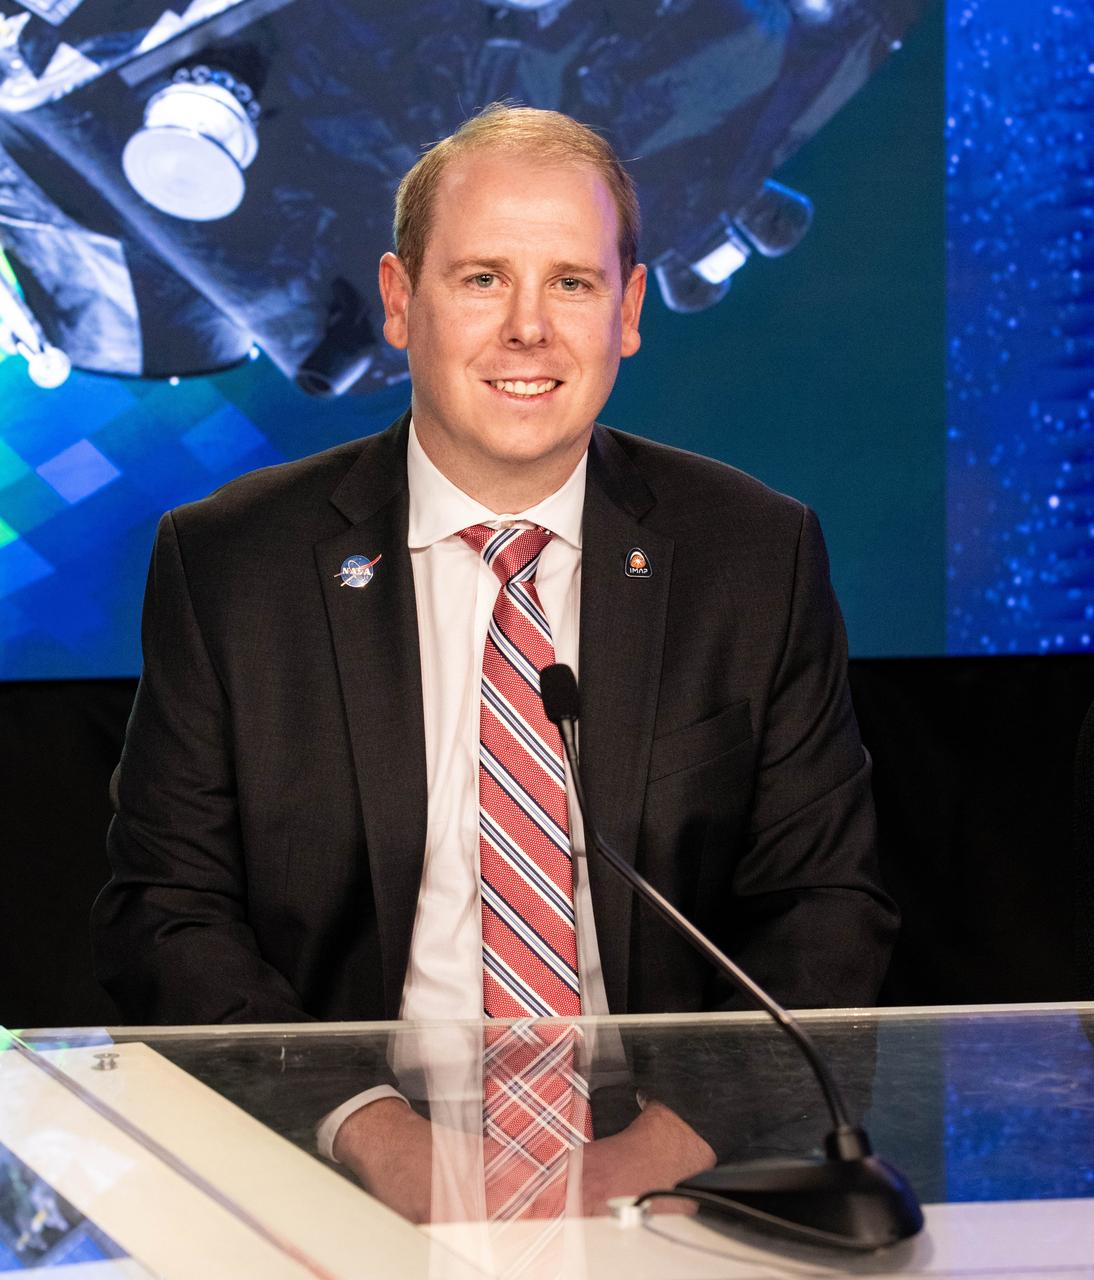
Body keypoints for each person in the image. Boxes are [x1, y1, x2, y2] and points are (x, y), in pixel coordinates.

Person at [91, 105, 897, 1213]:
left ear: (627, 311)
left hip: (663, 1175)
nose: (528, 329)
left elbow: (825, 908)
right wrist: (373, 1137)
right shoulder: (230, 563)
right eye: (480, 278)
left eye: (570, 281)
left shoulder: (752, 554)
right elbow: (164, 912)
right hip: (340, 1165)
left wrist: (638, 1160)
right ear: (395, 301)